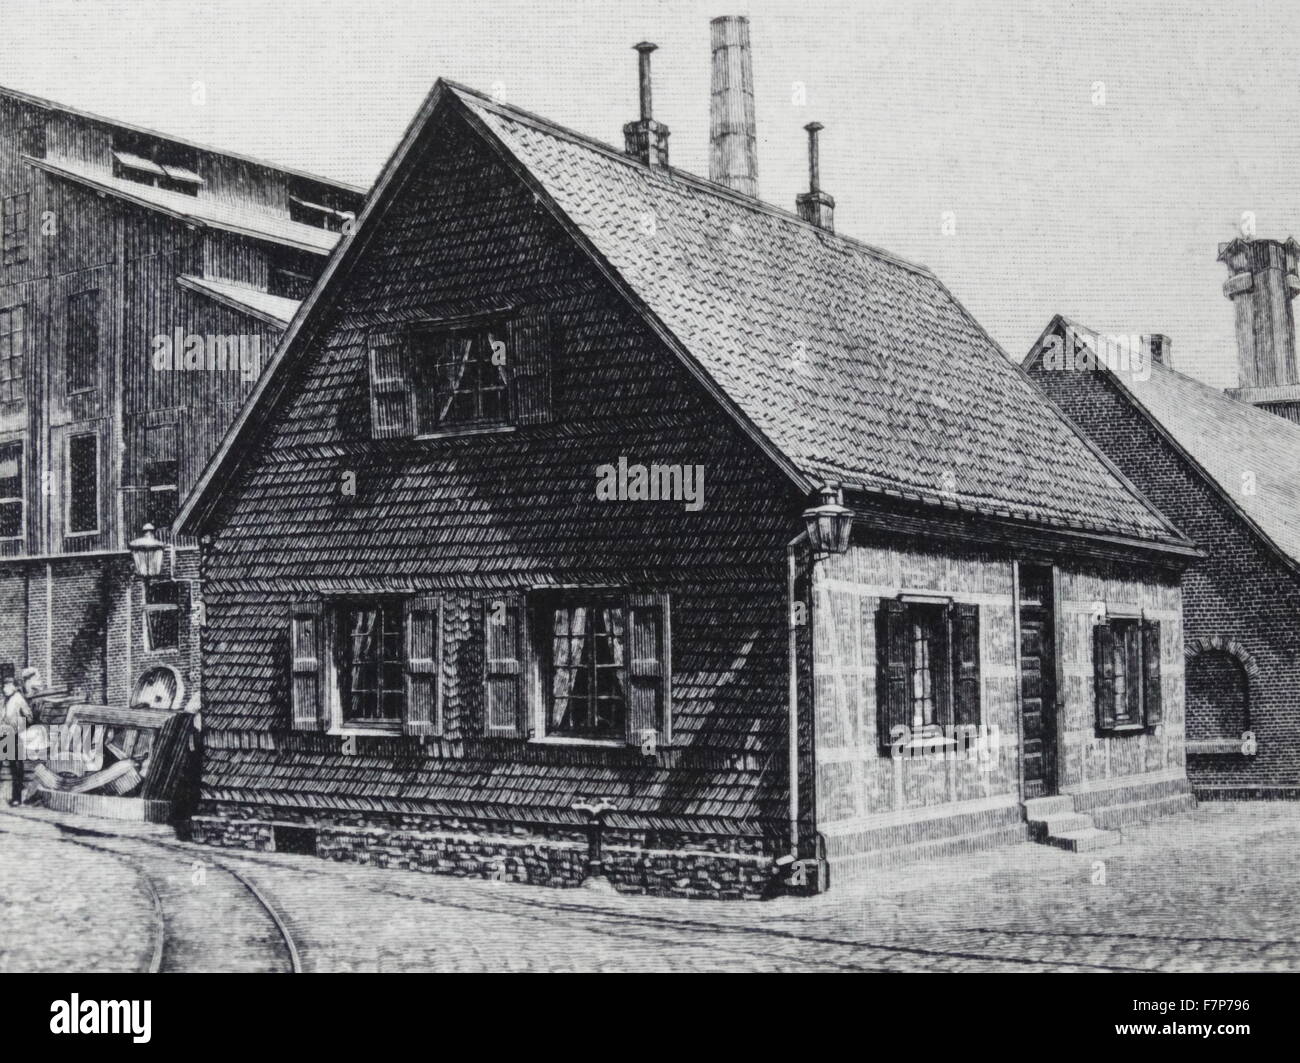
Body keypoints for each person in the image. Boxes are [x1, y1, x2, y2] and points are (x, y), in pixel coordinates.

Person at [1, 677, 33, 806]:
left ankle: (16, 798)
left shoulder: (19, 699)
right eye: (3, 686)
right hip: (3, 735)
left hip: (14, 736)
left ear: (14, 687)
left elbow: (29, 717)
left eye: (7, 686)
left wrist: (20, 728)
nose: (4, 688)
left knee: (16, 768)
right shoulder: (3, 700)